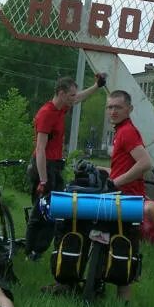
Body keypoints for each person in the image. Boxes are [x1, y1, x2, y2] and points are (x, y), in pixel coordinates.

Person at [25, 74, 106, 260]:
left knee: (56, 210)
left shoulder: (60, 109)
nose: (73, 98)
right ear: (61, 93)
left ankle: (39, 250)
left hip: (54, 167)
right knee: (42, 212)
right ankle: (31, 252)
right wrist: (44, 180)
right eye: (70, 95)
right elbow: (40, 149)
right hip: (44, 166)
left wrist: (96, 86)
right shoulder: (46, 114)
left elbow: (79, 98)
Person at [105, 90, 154, 246]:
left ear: (129, 109)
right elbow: (121, 170)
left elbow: (145, 163)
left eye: (118, 107)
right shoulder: (121, 131)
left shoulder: (127, 132)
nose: (113, 111)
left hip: (127, 196)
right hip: (122, 194)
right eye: (110, 107)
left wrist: (116, 182)